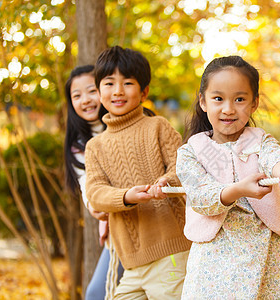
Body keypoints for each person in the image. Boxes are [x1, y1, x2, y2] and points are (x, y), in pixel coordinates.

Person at [176, 55, 280, 299]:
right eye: (218, 99)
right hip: (215, 257)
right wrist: (239, 189)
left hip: (268, 254)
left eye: (239, 99)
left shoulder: (259, 141)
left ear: (254, 104)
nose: (228, 109)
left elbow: (275, 158)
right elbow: (201, 196)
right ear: (203, 102)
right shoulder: (191, 151)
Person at [85, 46, 191, 299]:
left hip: (172, 254)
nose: (118, 91)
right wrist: (126, 197)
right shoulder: (95, 146)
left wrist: (166, 181)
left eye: (128, 83)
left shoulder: (157, 126)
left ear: (143, 92)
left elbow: (184, 166)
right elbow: (95, 192)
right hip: (130, 263)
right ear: (99, 92)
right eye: (109, 83)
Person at [63, 64, 124, 299]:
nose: (85, 100)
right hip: (116, 223)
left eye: (91, 91)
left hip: (155, 220)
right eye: (76, 96)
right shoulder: (79, 144)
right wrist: (94, 206)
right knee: (97, 294)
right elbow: (86, 183)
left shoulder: (138, 123)